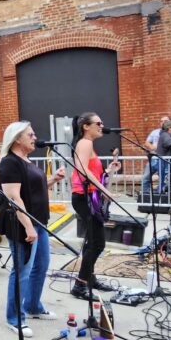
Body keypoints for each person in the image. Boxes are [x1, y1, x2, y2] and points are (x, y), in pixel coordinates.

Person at [0, 122, 67, 338]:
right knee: (22, 270)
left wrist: (53, 179)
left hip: (39, 222)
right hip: (22, 225)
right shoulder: (10, 162)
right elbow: (14, 199)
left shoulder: (27, 161)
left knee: (42, 264)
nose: (35, 137)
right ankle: (15, 318)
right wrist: (28, 226)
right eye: (31, 134)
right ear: (17, 138)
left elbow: (32, 189)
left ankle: (33, 306)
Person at [70, 112, 120, 300]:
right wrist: (104, 190)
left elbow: (92, 173)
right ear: (86, 126)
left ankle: (88, 278)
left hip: (89, 196)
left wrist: (108, 170)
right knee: (98, 242)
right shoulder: (85, 143)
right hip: (84, 198)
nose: (102, 126)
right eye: (98, 123)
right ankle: (80, 284)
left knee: (92, 240)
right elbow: (82, 171)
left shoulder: (88, 145)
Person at [155, 119, 171, 197]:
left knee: (167, 182)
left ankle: (166, 200)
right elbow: (168, 142)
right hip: (164, 163)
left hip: (167, 162)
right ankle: (162, 200)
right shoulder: (165, 135)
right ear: (169, 128)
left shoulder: (169, 135)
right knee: (164, 182)